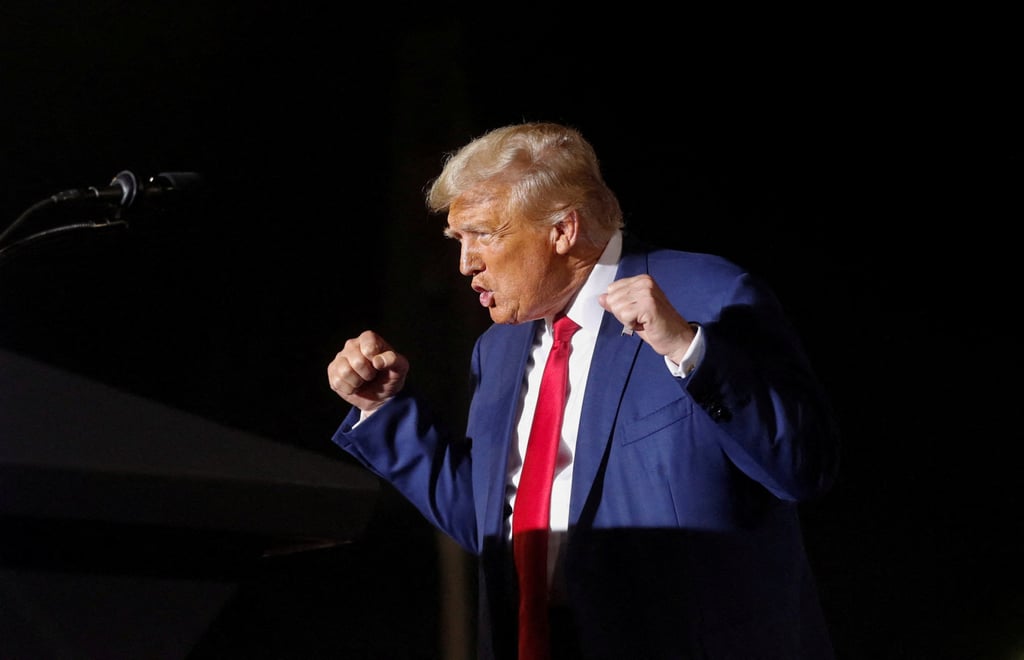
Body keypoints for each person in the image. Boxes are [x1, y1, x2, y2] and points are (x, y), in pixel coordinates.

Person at [326, 121, 840, 659]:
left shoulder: (707, 296)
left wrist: (687, 350)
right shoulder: (497, 350)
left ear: (563, 230)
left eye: (484, 234)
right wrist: (382, 409)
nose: (465, 263)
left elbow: (802, 468)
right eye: (459, 239)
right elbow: (492, 526)